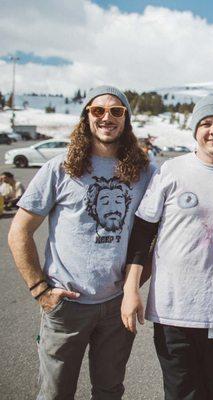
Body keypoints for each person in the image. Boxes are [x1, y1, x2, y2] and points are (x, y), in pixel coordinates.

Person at [7, 85, 154, 399]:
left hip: (117, 308)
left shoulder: (144, 172)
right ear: (86, 116)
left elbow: (152, 232)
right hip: (66, 306)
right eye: (98, 110)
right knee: (55, 393)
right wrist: (40, 290)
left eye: (117, 111)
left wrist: (133, 285)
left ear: (127, 119)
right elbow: (19, 232)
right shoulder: (59, 168)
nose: (107, 117)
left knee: (109, 390)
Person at [121, 94, 213, 400]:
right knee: (180, 391)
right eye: (207, 123)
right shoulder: (171, 171)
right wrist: (131, 289)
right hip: (173, 307)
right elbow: (143, 232)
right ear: (195, 130)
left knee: (212, 391)